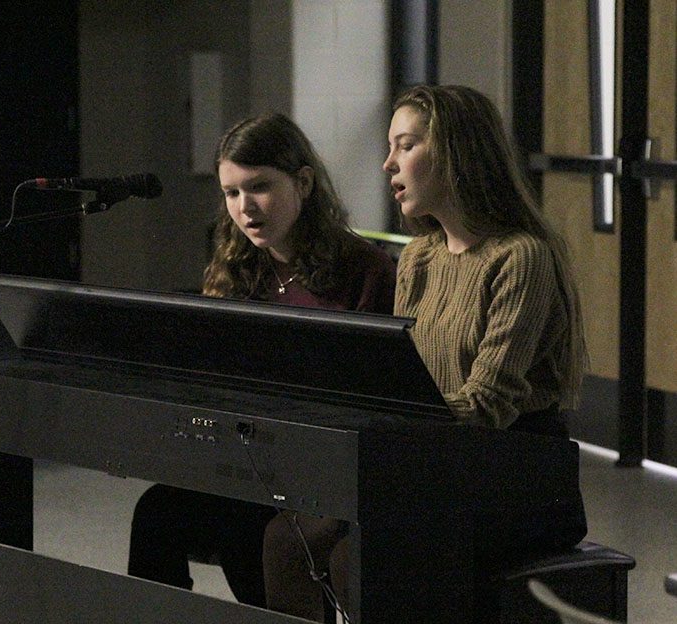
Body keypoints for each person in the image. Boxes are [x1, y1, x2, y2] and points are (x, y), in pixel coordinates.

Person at [261, 85, 589, 621]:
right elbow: (403, 376)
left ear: (458, 155)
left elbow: (488, 405)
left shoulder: (520, 256)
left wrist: (390, 429)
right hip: (434, 461)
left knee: (355, 557)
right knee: (286, 537)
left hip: (515, 472)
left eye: (406, 145)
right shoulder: (420, 255)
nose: (389, 163)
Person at [127, 112, 397, 608]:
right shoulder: (235, 266)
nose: (244, 207)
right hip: (252, 462)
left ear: (304, 182)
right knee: (157, 513)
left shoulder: (364, 269)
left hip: (323, 473)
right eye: (231, 193)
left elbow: (374, 397)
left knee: (253, 535)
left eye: (259, 187)